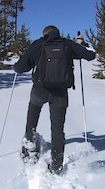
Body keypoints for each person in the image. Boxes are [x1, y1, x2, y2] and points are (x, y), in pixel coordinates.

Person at [13, 25, 95, 175]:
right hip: (60, 93)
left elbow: (22, 67)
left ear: (45, 34)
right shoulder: (67, 44)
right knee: (58, 128)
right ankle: (57, 165)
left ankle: (30, 147)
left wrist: (16, 67)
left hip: (40, 89)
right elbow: (90, 56)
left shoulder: (38, 44)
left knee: (33, 112)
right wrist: (80, 45)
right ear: (58, 33)